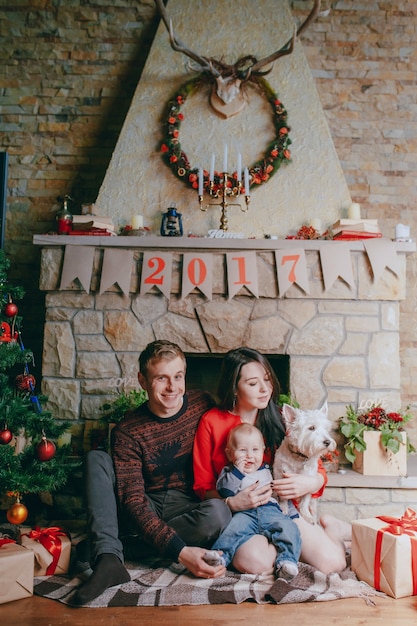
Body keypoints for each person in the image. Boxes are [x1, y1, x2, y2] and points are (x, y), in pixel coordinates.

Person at [71, 340, 231, 606]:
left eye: (178, 377)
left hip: (187, 505)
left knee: (219, 512)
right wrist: (182, 553)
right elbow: (132, 501)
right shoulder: (127, 429)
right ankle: (109, 560)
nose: (172, 388)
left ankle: (121, 547)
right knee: (96, 459)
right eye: (161, 378)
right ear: (143, 381)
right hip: (144, 504)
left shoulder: (202, 404)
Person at [193, 347, 351, 576]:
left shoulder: (280, 418)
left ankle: (332, 530)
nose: (265, 389)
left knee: (333, 564)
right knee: (257, 564)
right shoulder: (212, 422)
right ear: (234, 387)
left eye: (267, 379)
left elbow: (315, 466)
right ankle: (284, 551)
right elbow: (202, 487)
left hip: (283, 511)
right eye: (253, 383)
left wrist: (312, 483)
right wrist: (233, 502)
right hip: (242, 516)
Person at [204, 423, 301, 580]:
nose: (249, 455)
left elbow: (279, 493)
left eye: (255, 450)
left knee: (290, 529)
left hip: (270, 511)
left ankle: (287, 562)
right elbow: (225, 491)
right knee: (232, 530)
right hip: (244, 514)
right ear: (229, 454)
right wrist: (238, 471)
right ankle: (220, 557)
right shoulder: (230, 472)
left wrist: (292, 514)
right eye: (242, 450)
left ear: (263, 451)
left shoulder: (269, 471)